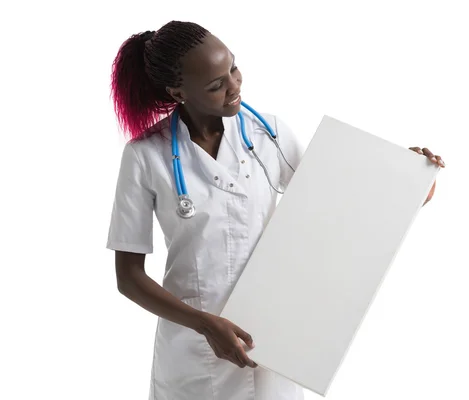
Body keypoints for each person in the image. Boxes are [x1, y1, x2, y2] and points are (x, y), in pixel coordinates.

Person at [106, 20, 445, 400]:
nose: (234, 86)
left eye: (232, 68)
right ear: (177, 91)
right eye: (216, 85)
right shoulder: (144, 156)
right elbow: (129, 277)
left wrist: (409, 179)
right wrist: (204, 325)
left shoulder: (270, 134)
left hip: (273, 342)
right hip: (193, 351)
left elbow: (341, 208)